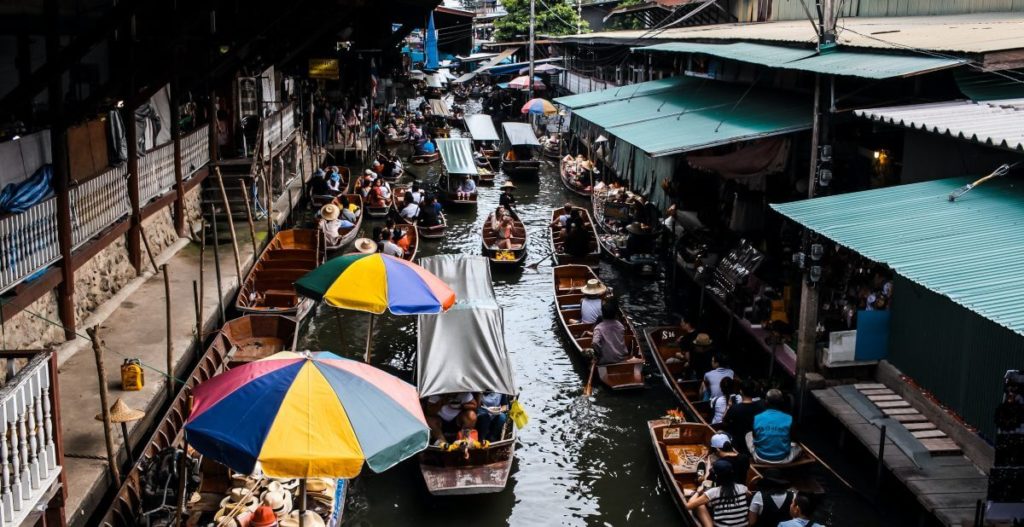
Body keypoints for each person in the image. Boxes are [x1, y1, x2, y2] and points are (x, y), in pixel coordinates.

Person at [685, 459, 750, 527]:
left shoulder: (714, 492)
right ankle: (700, 481)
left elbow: (688, 506)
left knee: (699, 504)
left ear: (716, 476)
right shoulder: (743, 488)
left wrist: (698, 492)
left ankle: (698, 483)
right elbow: (749, 495)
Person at [747, 389, 803, 464]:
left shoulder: (757, 418)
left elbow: (754, 436)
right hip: (783, 459)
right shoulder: (789, 418)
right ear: (782, 402)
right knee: (798, 447)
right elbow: (793, 439)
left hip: (760, 458)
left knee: (748, 435)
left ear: (766, 402)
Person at [723, 380, 764, 454]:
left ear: (741, 392)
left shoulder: (735, 408)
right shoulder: (760, 407)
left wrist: (729, 406)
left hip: (738, 443)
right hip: (755, 442)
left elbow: (724, 422)